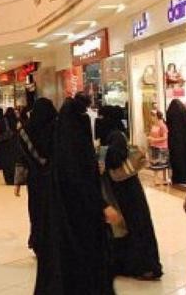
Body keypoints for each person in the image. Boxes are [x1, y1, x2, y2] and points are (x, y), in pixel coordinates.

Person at [40, 94, 119, 295]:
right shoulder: (77, 152)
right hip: (83, 223)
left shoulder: (59, 151)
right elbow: (82, 184)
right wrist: (102, 206)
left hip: (62, 224)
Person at [103, 131, 163, 280]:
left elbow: (115, 158)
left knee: (127, 227)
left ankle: (139, 266)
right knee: (136, 226)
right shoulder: (119, 136)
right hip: (130, 189)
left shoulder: (113, 137)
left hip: (121, 190)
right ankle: (143, 265)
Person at [21, 98, 56, 256]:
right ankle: (52, 241)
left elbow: (23, 156)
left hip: (35, 178)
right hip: (54, 177)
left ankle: (37, 241)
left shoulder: (25, 130)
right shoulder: (56, 128)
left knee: (36, 209)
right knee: (52, 210)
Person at [166, 99, 186, 185]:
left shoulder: (170, 113)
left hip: (174, 140)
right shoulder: (185, 112)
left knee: (176, 159)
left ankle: (178, 178)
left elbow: (169, 125)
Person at [147, 111, 170, 185]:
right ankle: (156, 179)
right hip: (154, 147)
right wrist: (150, 138)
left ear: (156, 117)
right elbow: (151, 134)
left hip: (162, 147)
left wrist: (154, 139)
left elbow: (165, 137)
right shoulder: (154, 125)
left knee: (163, 163)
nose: (151, 118)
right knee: (155, 163)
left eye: (153, 116)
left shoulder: (163, 126)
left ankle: (165, 179)